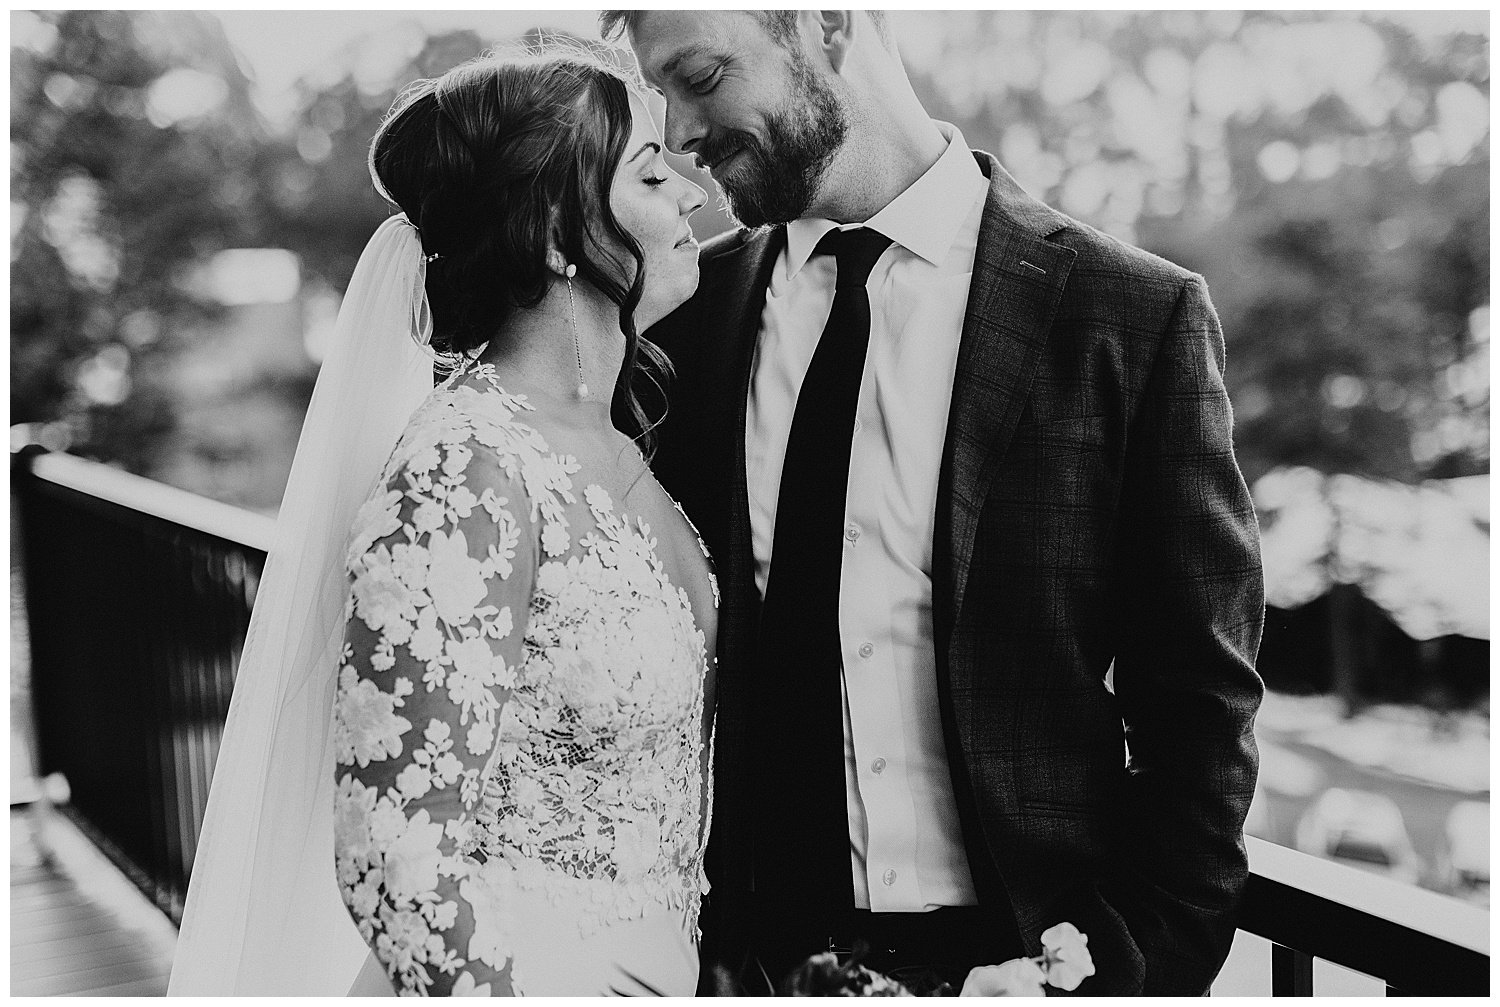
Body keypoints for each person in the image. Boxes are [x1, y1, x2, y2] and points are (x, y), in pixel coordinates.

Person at [603, 10, 1266, 996]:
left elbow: (1199, 706)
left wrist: (1132, 969)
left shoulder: (1128, 316)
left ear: (828, 23)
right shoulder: (684, 317)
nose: (681, 132)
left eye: (699, 76)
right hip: (739, 962)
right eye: (659, 95)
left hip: (1033, 958)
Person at [169, 48, 713, 996]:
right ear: (554, 231)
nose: (693, 197)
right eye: (653, 172)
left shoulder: (616, 446)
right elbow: (393, 861)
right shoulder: (464, 472)